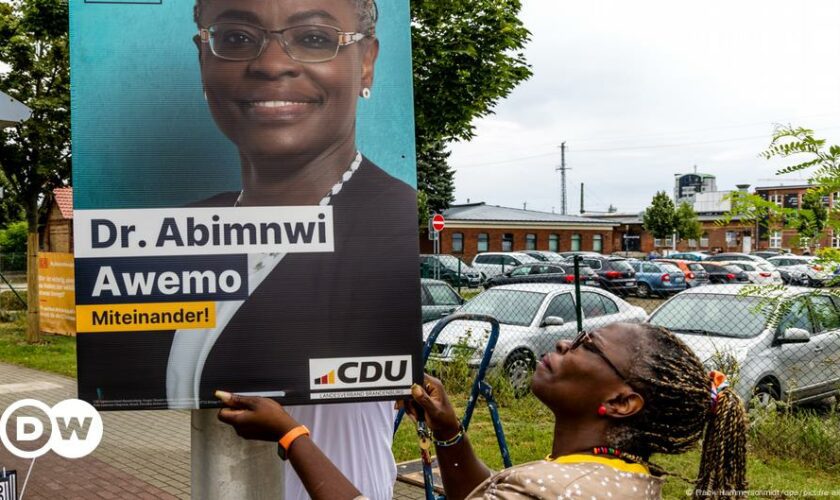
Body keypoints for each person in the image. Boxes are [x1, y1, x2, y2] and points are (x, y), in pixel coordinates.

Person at [78, 1, 418, 499]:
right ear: (203, 60)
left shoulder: (383, 235)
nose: (272, 63)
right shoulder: (172, 235)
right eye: (236, 38)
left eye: (315, 38)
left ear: (365, 61)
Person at [216, 323, 749, 499]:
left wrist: (291, 436)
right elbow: (486, 492)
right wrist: (449, 431)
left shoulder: (553, 489)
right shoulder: (619, 476)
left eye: (587, 345)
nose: (564, 344)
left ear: (621, 402)